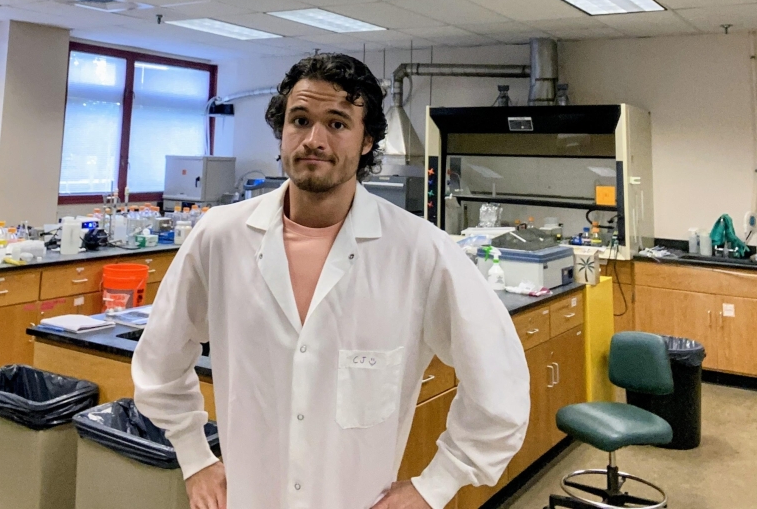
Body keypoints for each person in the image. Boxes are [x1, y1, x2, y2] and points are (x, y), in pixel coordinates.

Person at [132, 53, 529, 509]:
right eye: (300, 120)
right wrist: (195, 455)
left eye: (337, 123)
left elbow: (500, 383)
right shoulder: (220, 237)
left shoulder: (420, 251)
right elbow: (159, 363)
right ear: (282, 132)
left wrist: (436, 485)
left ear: (366, 141)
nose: (314, 139)